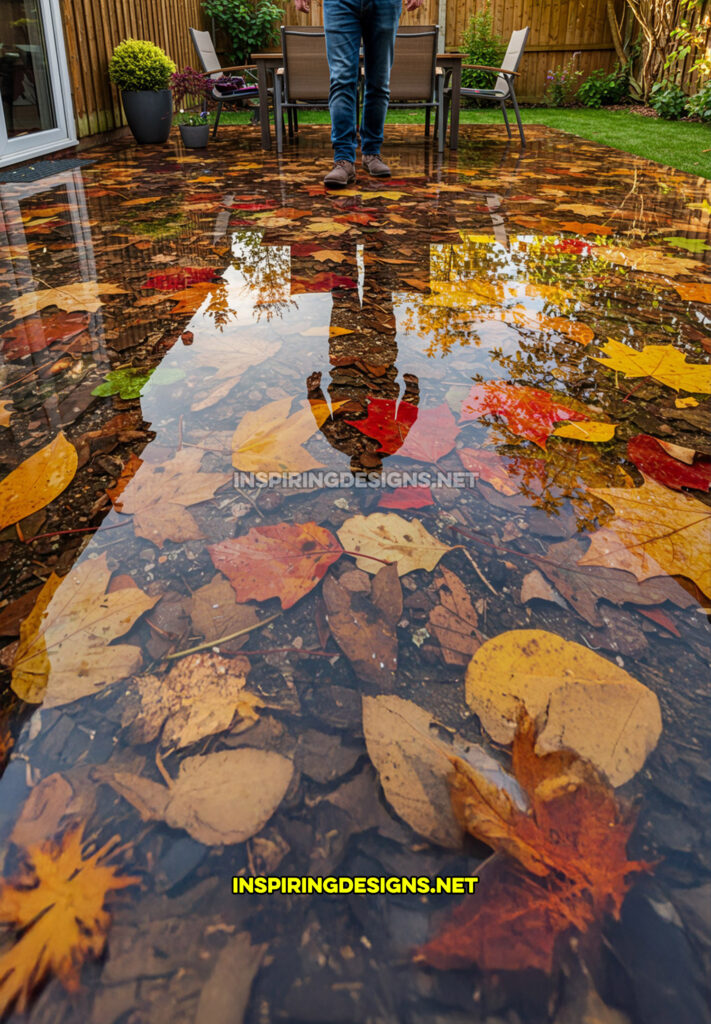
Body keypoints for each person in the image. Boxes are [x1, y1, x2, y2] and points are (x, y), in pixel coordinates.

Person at [293, 0, 424, 188]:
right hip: (340, 4)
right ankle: (343, 159)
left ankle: (371, 152)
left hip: (385, 4)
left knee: (379, 82)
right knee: (341, 79)